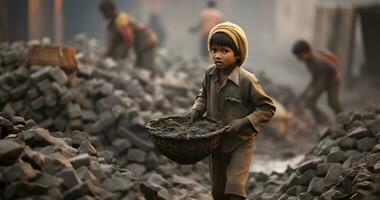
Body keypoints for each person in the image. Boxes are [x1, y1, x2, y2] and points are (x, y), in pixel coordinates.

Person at [188, 22, 276, 200]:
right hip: (216, 141)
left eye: (224, 51)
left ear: (237, 54)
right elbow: (203, 95)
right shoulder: (209, 74)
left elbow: (267, 108)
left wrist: (243, 123)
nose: (217, 55)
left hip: (240, 141)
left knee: (235, 187)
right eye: (214, 50)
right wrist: (196, 110)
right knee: (218, 191)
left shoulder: (247, 80)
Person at [99, 0, 160, 74]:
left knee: (147, 68)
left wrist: (124, 53)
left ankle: (158, 80)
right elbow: (113, 42)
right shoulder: (113, 24)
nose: (102, 15)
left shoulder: (121, 19)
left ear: (108, 10)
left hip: (146, 42)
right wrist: (105, 56)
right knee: (139, 68)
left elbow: (129, 39)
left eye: (103, 12)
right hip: (141, 45)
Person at [292, 40, 343, 124]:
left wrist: (311, 95)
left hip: (333, 80)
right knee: (310, 102)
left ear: (306, 52)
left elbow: (320, 85)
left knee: (332, 102)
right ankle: (324, 121)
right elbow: (315, 79)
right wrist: (305, 93)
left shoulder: (318, 63)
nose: (299, 59)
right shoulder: (308, 62)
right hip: (322, 78)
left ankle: (343, 119)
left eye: (300, 56)